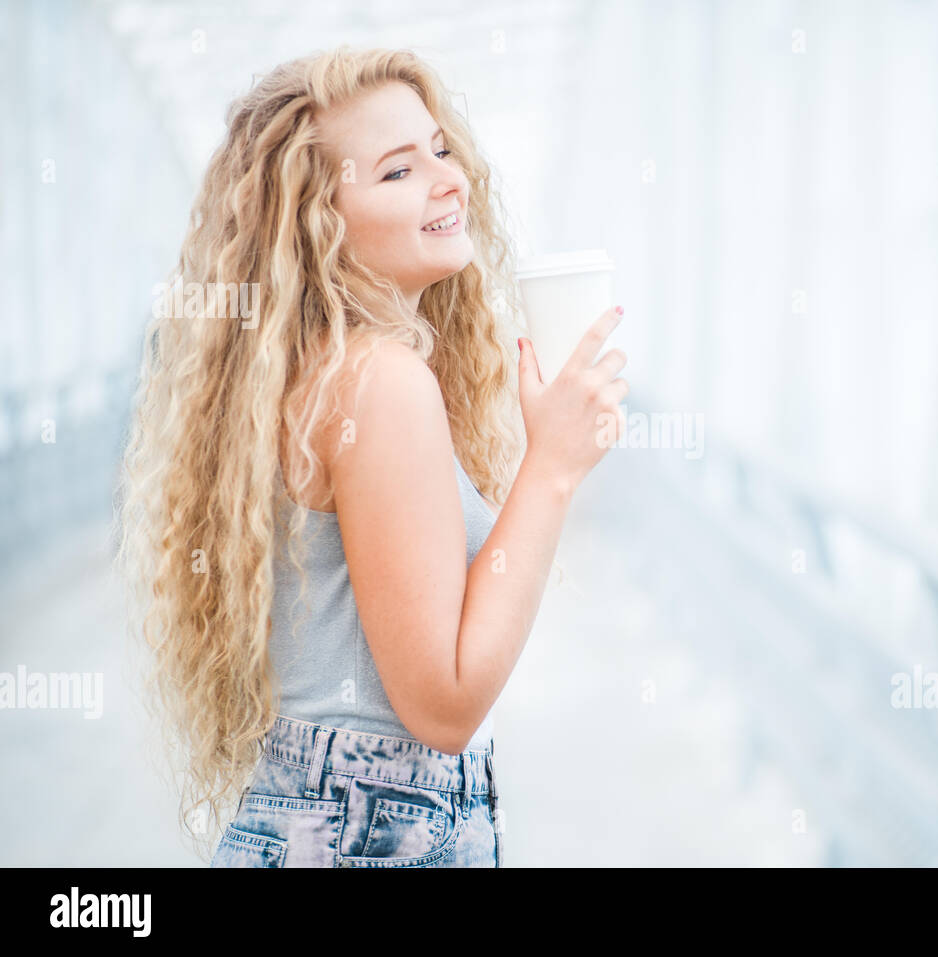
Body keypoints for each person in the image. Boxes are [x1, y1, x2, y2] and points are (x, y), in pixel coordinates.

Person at [114, 46, 629, 867]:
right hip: (374, 831)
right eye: (397, 171)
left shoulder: (320, 376)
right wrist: (554, 466)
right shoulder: (381, 382)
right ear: (318, 220)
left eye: (441, 149)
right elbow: (444, 706)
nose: (449, 179)